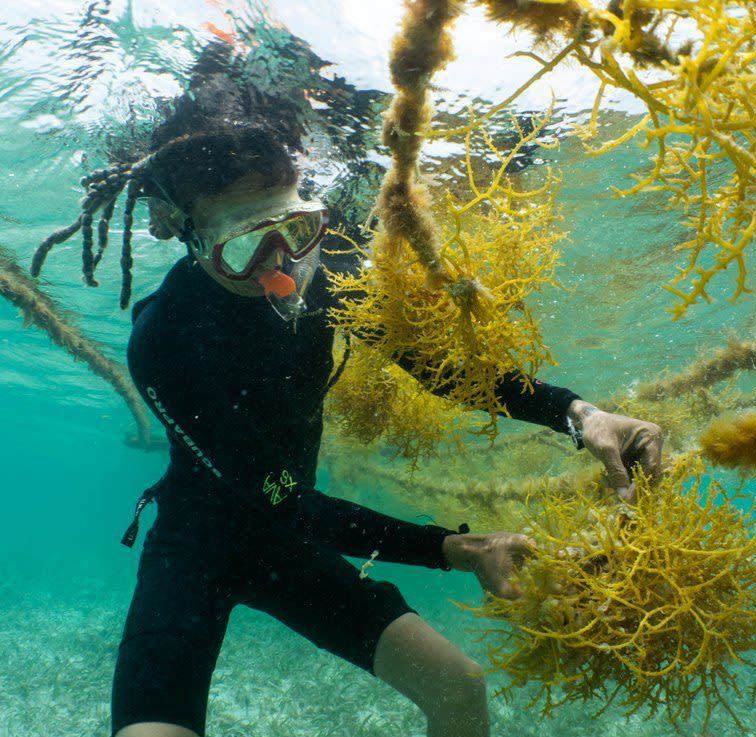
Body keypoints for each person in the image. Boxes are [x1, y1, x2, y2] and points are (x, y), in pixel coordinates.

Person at [36, 47, 662, 737]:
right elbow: (281, 497)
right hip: (196, 548)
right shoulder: (163, 341)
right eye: (244, 246)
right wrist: (455, 547)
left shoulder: (326, 276)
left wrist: (580, 413)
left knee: (460, 688)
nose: (281, 268)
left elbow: (436, 367)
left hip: (289, 541)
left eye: (296, 230)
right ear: (178, 231)